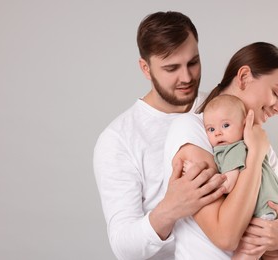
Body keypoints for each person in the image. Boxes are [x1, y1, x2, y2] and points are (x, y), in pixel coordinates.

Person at [93, 11, 227, 260]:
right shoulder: (118, 139)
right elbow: (124, 247)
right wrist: (171, 208)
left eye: (193, 62)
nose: (186, 77)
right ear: (145, 68)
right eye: (171, 68)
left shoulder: (224, 109)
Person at [163, 42, 278, 259]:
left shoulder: (265, 148)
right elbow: (226, 235)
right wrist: (254, 156)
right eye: (277, 93)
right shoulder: (194, 130)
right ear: (245, 77)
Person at [184, 94, 278, 259]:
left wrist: (198, 175)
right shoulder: (252, 146)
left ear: (244, 126)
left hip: (265, 214)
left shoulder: (232, 149)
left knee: (245, 253)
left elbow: (227, 184)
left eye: (226, 125)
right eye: (211, 129)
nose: (218, 134)